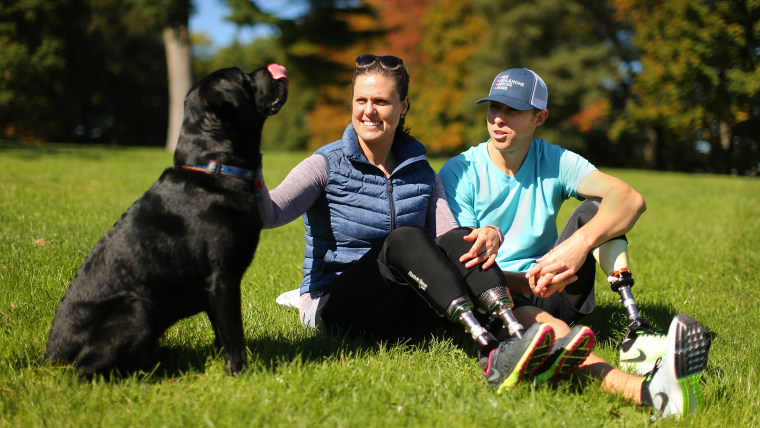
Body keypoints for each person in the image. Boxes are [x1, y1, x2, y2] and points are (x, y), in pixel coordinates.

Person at [257, 55, 581, 393]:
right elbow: (270, 213)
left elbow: (451, 240)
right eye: (361, 100)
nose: (369, 110)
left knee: (460, 241)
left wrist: (489, 233)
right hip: (335, 303)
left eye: (381, 101)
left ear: (403, 106)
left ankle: (515, 333)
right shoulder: (326, 164)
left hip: (400, 305)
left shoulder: (421, 172)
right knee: (404, 239)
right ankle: (490, 349)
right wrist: (246, 156)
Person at [438, 67, 712, 418]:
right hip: (501, 297)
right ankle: (647, 393)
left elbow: (630, 199)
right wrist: (524, 280)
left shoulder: (553, 159)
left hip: (559, 283)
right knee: (553, 333)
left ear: (540, 117)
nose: (498, 119)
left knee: (598, 210)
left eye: (513, 110)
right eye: (493, 107)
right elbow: (464, 266)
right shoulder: (461, 172)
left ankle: (636, 330)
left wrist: (579, 244)